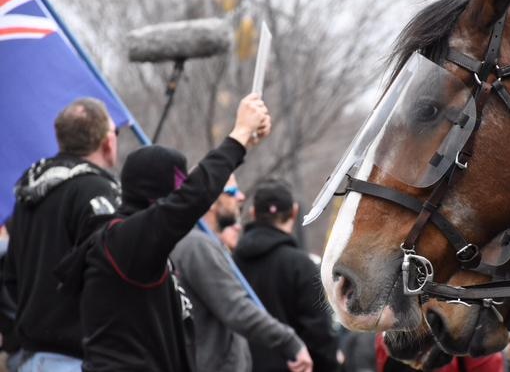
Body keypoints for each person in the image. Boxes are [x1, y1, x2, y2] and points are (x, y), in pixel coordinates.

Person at [58, 94, 286, 372]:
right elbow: (191, 199)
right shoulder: (125, 241)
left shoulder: (134, 243)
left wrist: (246, 141)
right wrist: (237, 137)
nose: (180, 197)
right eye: (177, 188)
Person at [3, 98, 120, 372]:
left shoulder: (28, 196)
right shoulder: (97, 192)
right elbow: (111, 272)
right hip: (81, 358)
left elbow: (10, 278)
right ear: (106, 142)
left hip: (31, 359)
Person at [170, 173, 313, 372]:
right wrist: (289, 341)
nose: (241, 197)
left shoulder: (204, 243)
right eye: (231, 191)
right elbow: (236, 308)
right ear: (211, 199)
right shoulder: (197, 245)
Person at [234, 178, 341, 372]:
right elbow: (318, 334)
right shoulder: (302, 266)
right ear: (294, 211)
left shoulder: (231, 263)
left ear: (253, 213)